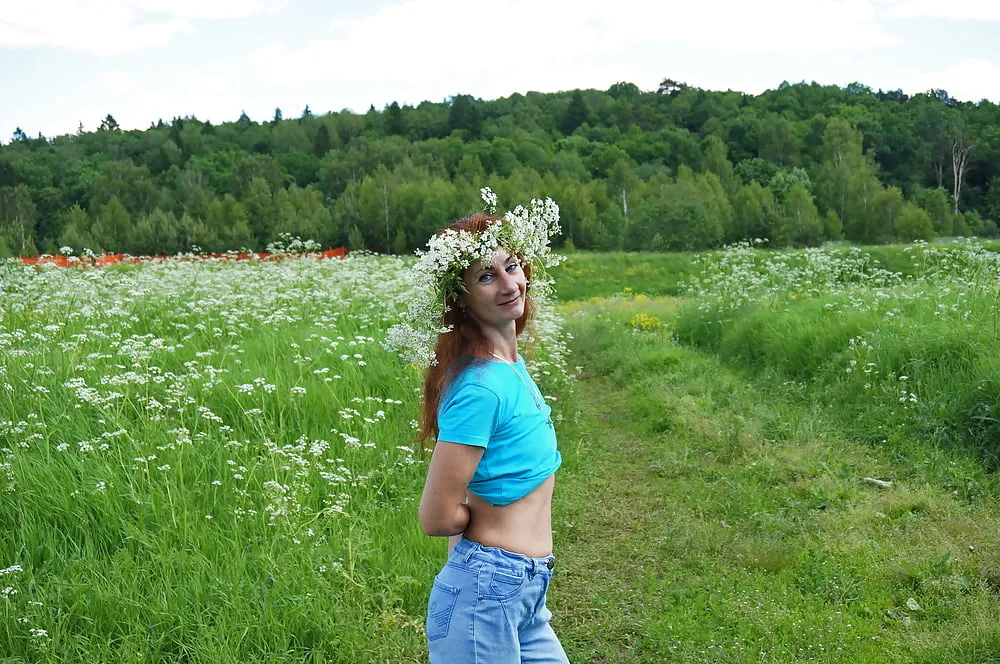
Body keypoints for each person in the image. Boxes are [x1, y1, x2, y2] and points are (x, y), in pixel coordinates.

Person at [410, 207, 569, 663]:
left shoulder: (511, 369)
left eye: (512, 266)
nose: (508, 284)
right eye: (485, 276)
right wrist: (483, 539)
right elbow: (436, 517)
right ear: (459, 298)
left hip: (524, 590)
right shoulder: (480, 387)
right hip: (487, 590)